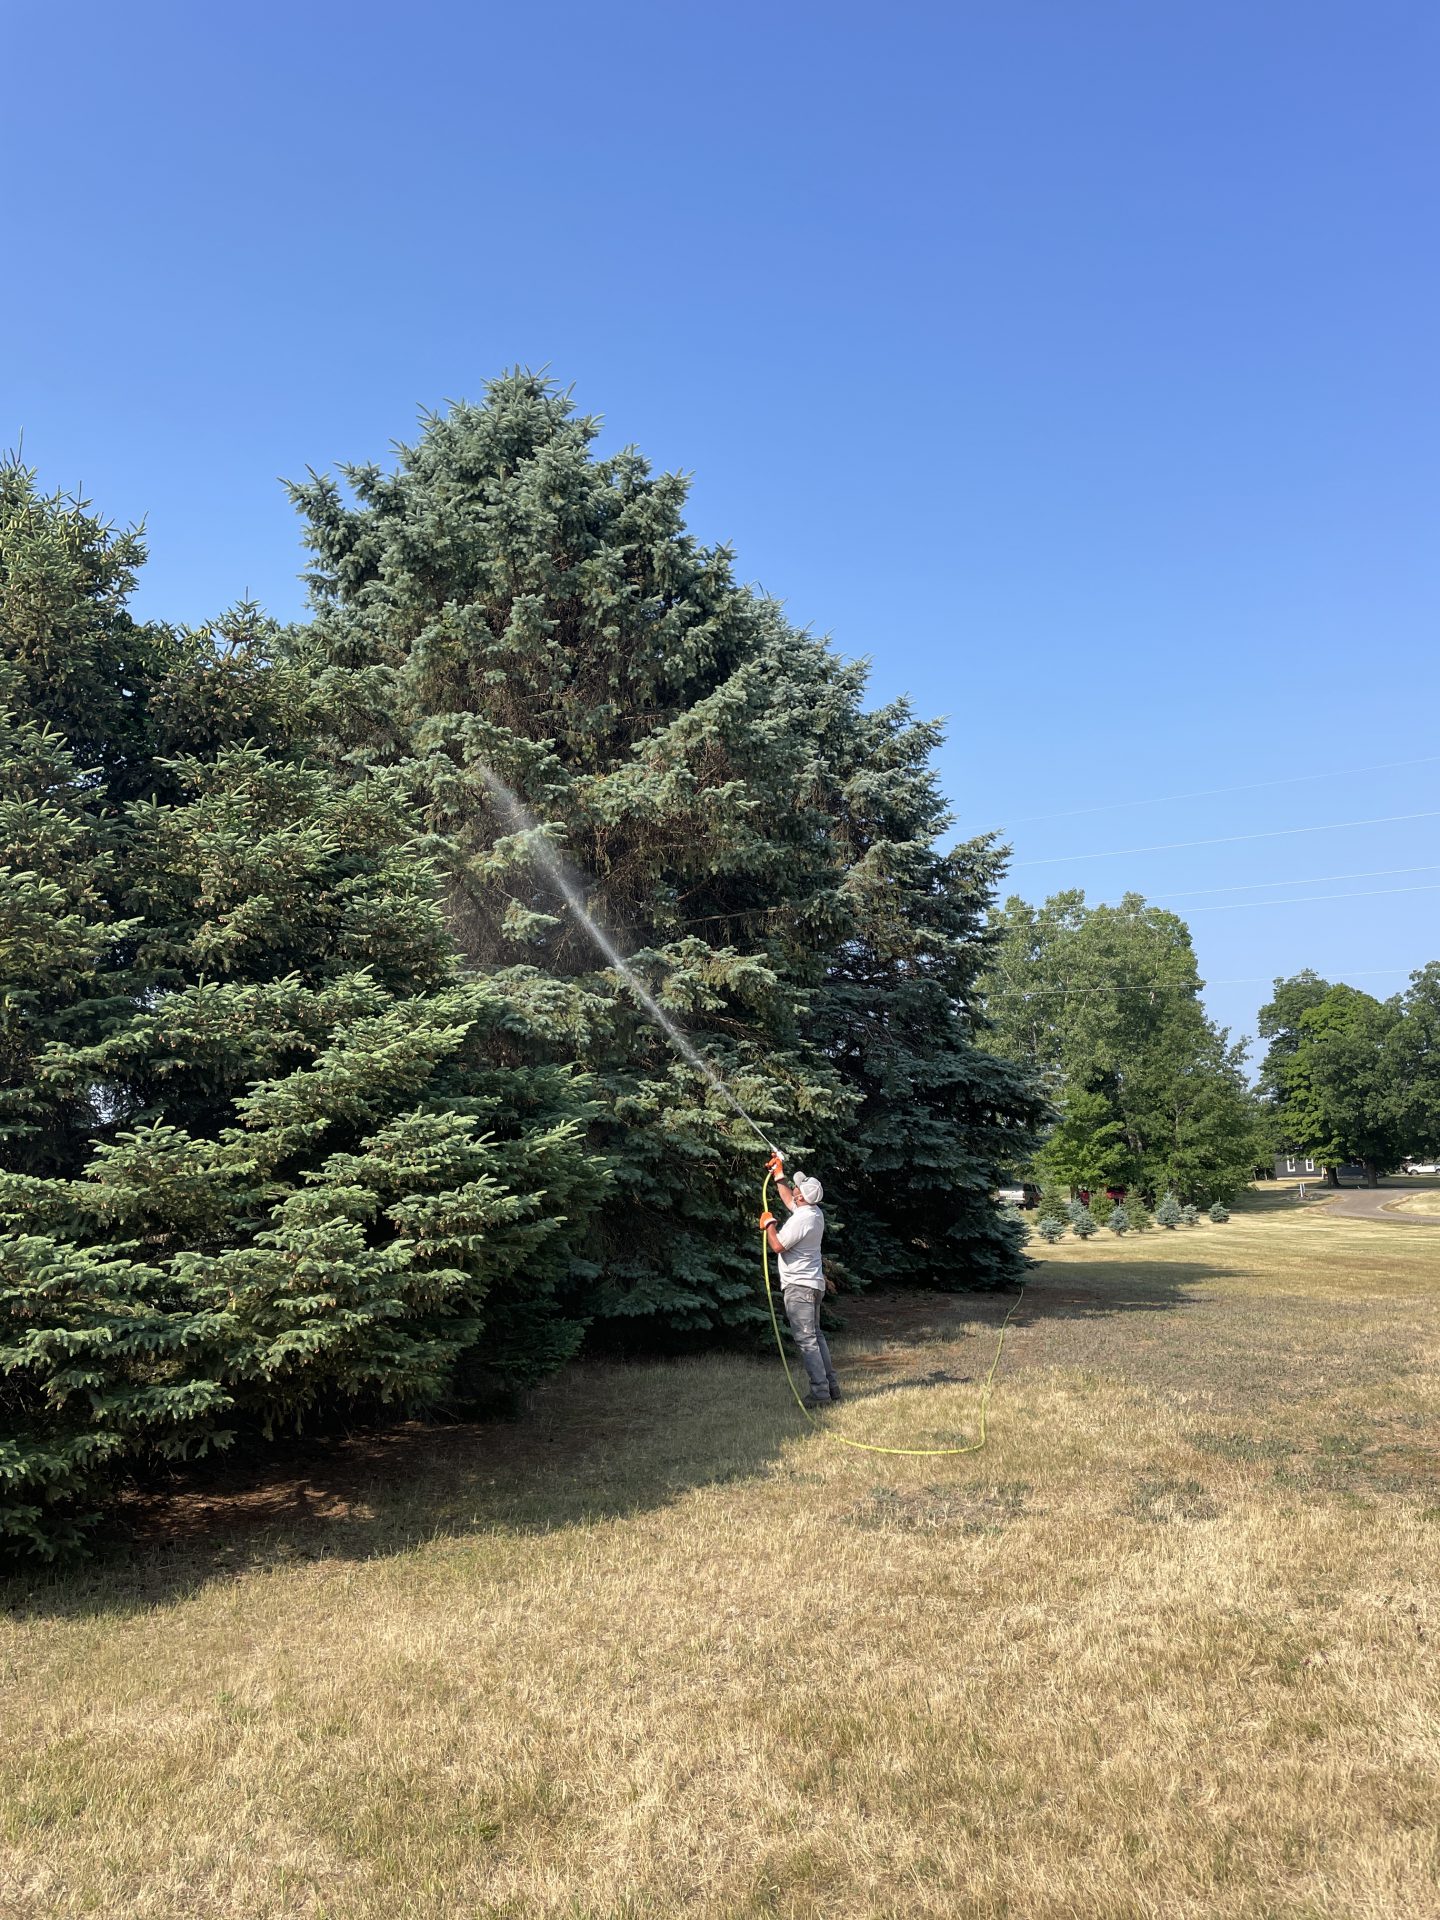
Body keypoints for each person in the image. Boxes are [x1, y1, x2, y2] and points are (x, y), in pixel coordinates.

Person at [760, 1155, 840, 1409]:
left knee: (807, 1341)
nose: (794, 1188)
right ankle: (831, 1388)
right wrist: (779, 1176)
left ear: (803, 1197)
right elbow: (788, 1200)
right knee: (816, 1337)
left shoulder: (803, 1218)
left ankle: (820, 1394)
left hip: (799, 1288)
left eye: (797, 1187)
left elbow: (777, 1245)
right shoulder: (812, 1213)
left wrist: (769, 1225)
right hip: (813, 1285)